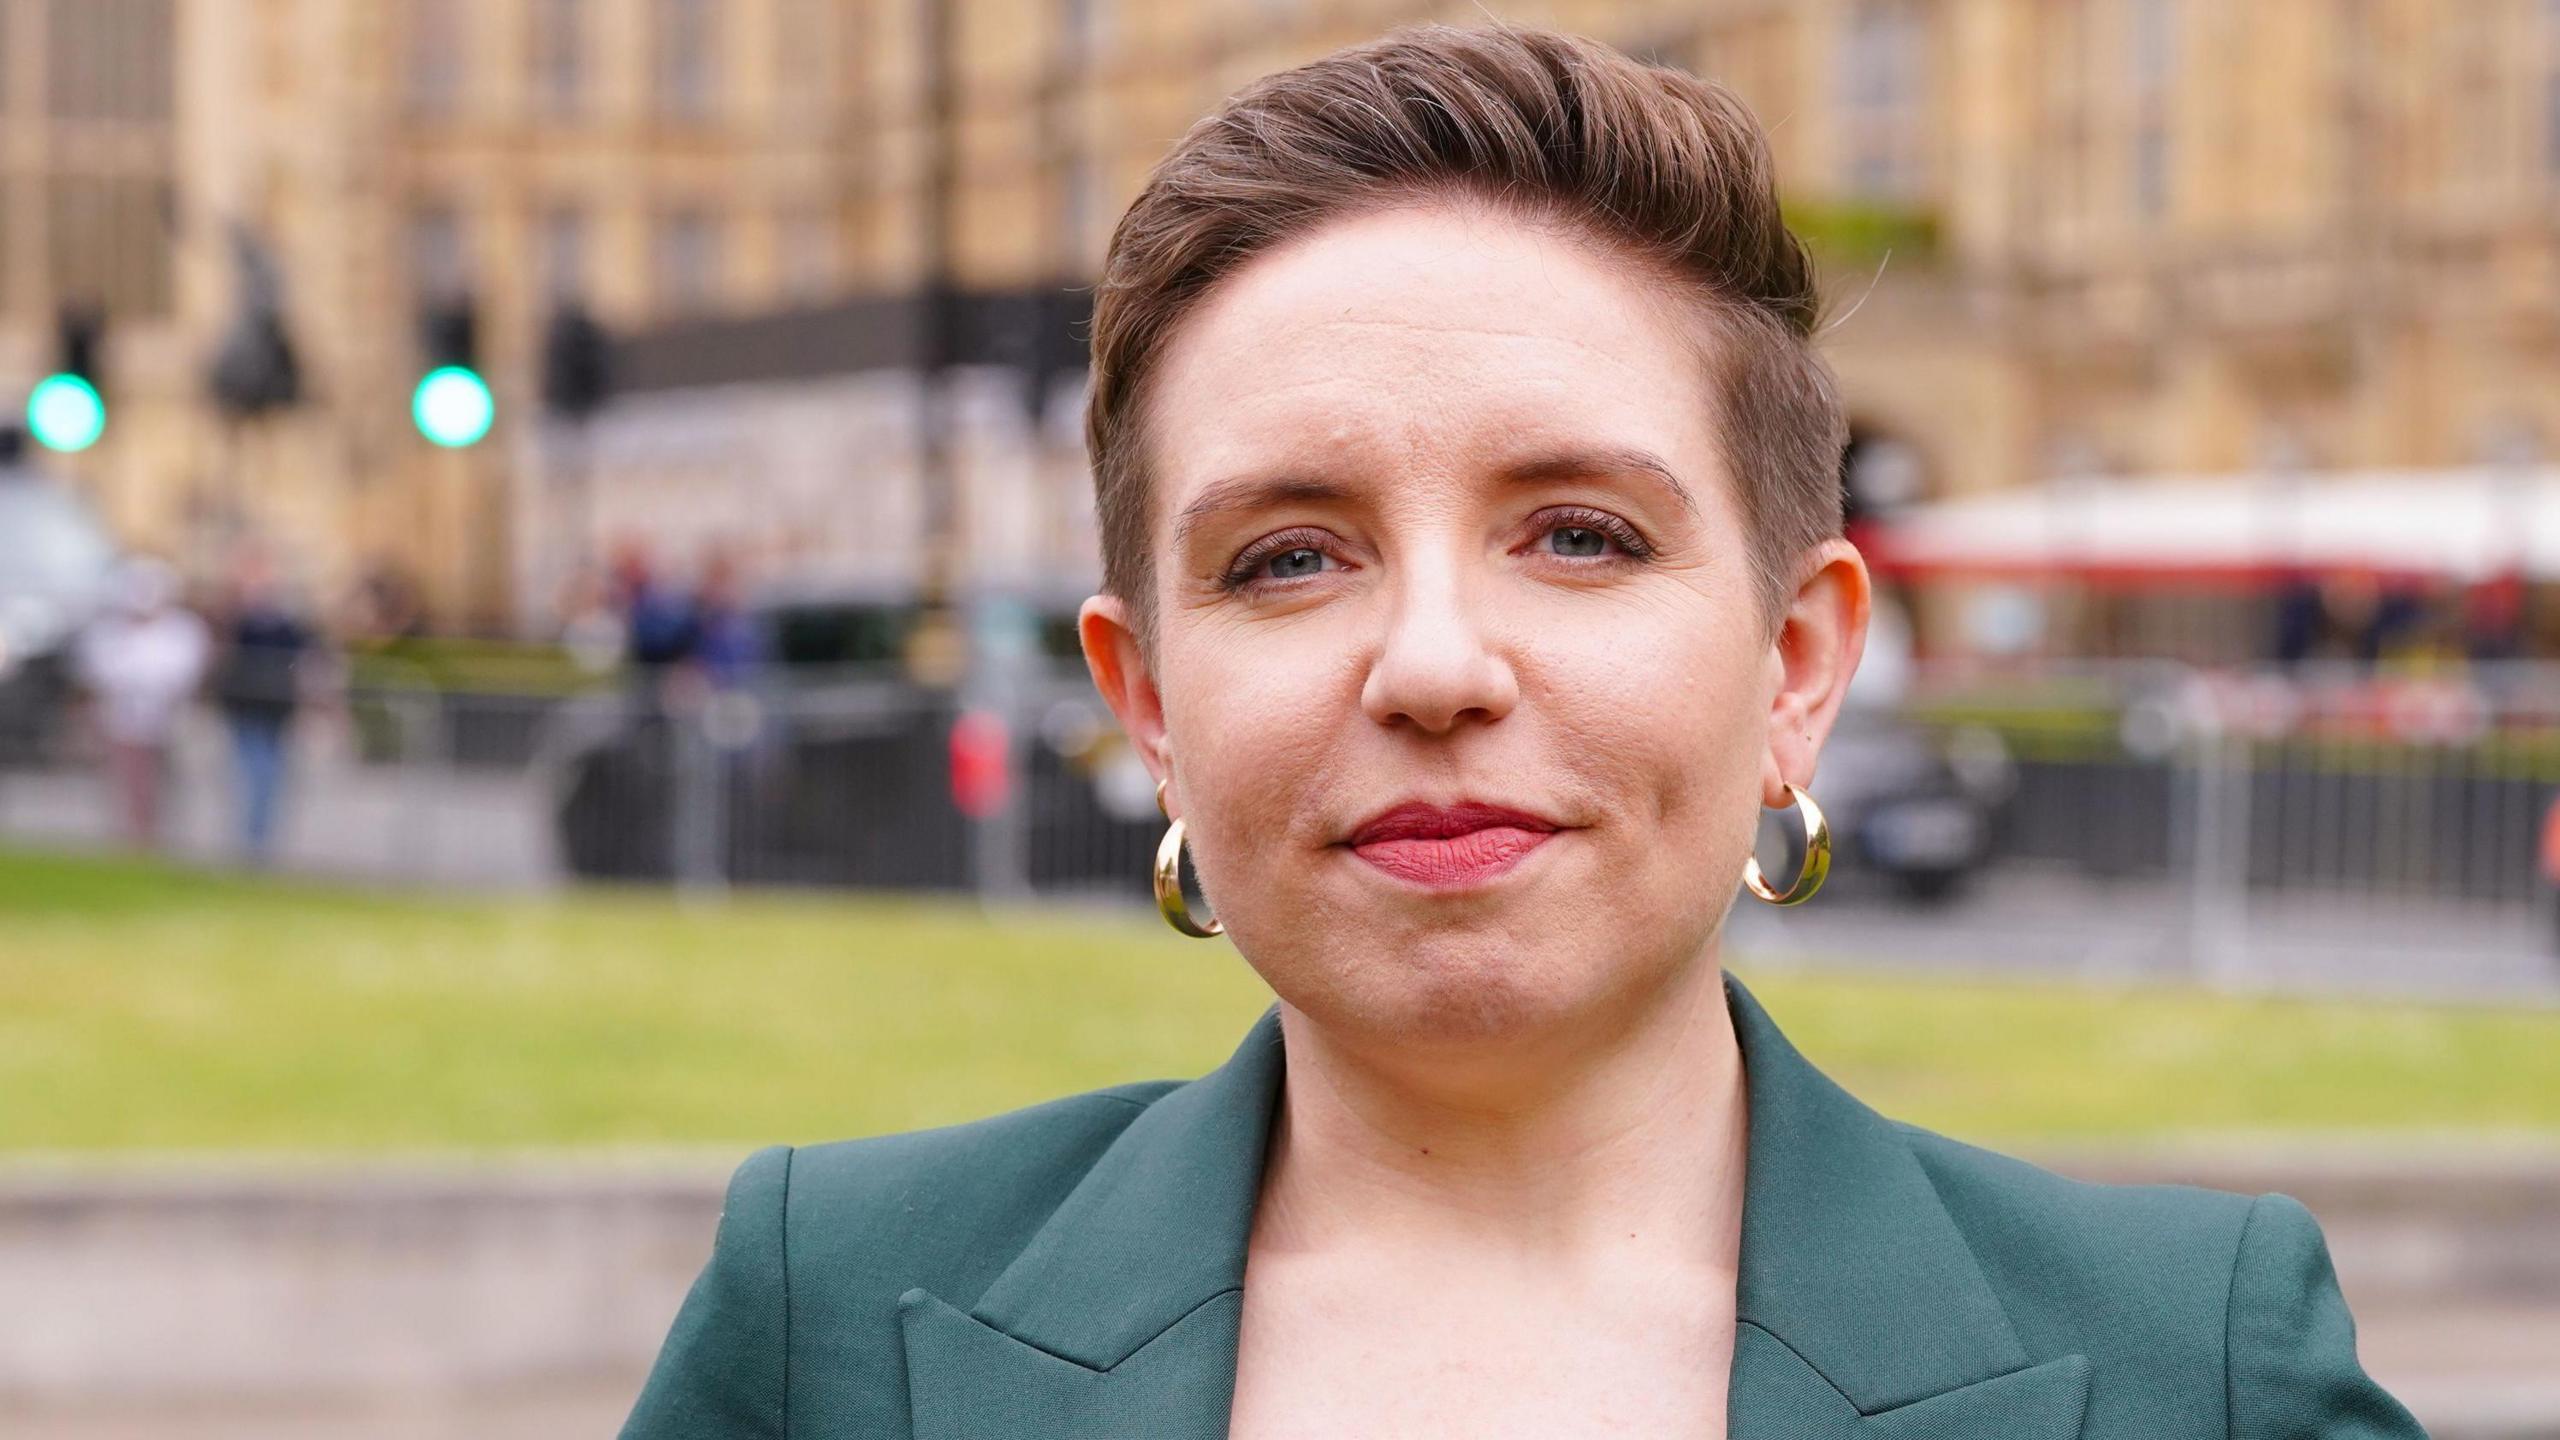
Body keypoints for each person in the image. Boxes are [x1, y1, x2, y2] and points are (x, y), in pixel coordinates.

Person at [622, 25, 2425, 1439]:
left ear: (1797, 664)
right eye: (1290, 556)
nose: (1432, 666)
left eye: (1580, 534)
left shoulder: (2200, 1369)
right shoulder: (833, 1320)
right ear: (1151, 705)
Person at [71, 556, 211, 852]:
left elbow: (184, 672)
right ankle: (128, 837)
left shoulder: (181, 630)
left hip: (165, 721)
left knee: (159, 785)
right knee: (124, 782)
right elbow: (97, 669)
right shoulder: (109, 630)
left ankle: (153, 837)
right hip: (120, 718)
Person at [208, 548, 319, 866]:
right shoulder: (236, 617)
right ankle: (250, 840)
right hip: (244, 707)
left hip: (276, 708)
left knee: (269, 776)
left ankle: (258, 841)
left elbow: (307, 659)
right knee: (250, 772)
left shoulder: (286, 621)